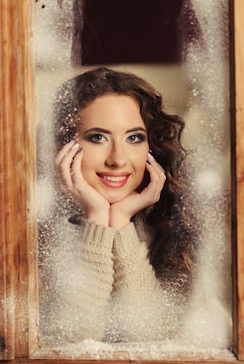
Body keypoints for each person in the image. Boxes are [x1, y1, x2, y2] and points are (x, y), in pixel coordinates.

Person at [40, 67, 198, 345]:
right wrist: (98, 219)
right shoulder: (38, 230)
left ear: (151, 146)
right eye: (98, 137)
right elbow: (68, 339)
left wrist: (121, 223)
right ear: (65, 148)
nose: (118, 159)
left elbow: (151, 339)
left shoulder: (178, 229)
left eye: (134, 137)